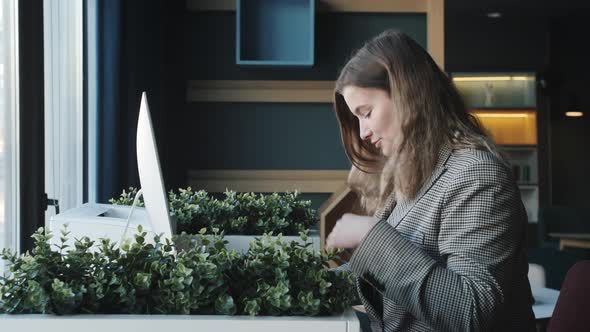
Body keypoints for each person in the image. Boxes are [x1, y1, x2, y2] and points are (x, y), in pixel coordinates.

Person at [326, 30, 535, 332]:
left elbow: (471, 312)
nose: (363, 133)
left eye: (367, 113)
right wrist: (304, 284)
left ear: (406, 94)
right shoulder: (417, 175)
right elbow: (395, 284)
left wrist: (370, 235)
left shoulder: (477, 176)